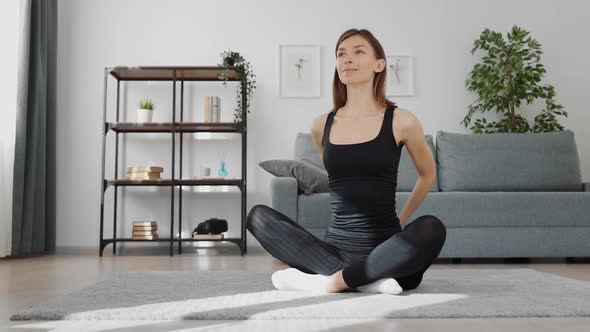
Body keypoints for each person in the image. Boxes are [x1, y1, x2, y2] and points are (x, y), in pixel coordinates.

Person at [246, 28, 447, 295]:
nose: (346, 59)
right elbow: (337, 177)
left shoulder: (402, 120)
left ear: (379, 64)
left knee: (432, 227)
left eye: (358, 52)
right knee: (257, 217)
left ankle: (334, 281)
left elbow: (428, 174)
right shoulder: (322, 125)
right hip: (336, 247)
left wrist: (402, 219)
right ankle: (366, 279)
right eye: (341, 54)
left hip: (388, 249)